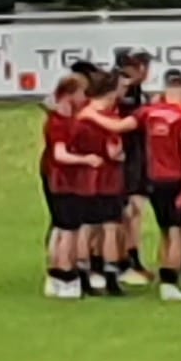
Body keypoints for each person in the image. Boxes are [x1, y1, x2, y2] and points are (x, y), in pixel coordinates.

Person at [41, 75, 101, 299]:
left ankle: (56, 276)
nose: (84, 98)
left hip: (62, 181)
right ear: (70, 94)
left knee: (62, 229)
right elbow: (60, 154)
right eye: (81, 93)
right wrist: (87, 159)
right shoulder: (59, 123)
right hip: (64, 182)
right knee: (69, 232)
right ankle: (66, 276)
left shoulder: (64, 118)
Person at [70, 71, 129, 296]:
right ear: (112, 90)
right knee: (110, 228)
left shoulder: (80, 114)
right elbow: (115, 152)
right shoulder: (109, 118)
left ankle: (83, 278)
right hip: (108, 179)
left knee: (86, 229)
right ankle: (111, 279)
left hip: (84, 180)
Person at [114, 49, 153, 286]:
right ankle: (122, 262)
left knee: (134, 210)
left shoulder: (139, 93)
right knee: (125, 213)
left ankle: (132, 260)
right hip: (124, 160)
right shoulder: (121, 93)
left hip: (137, 158)